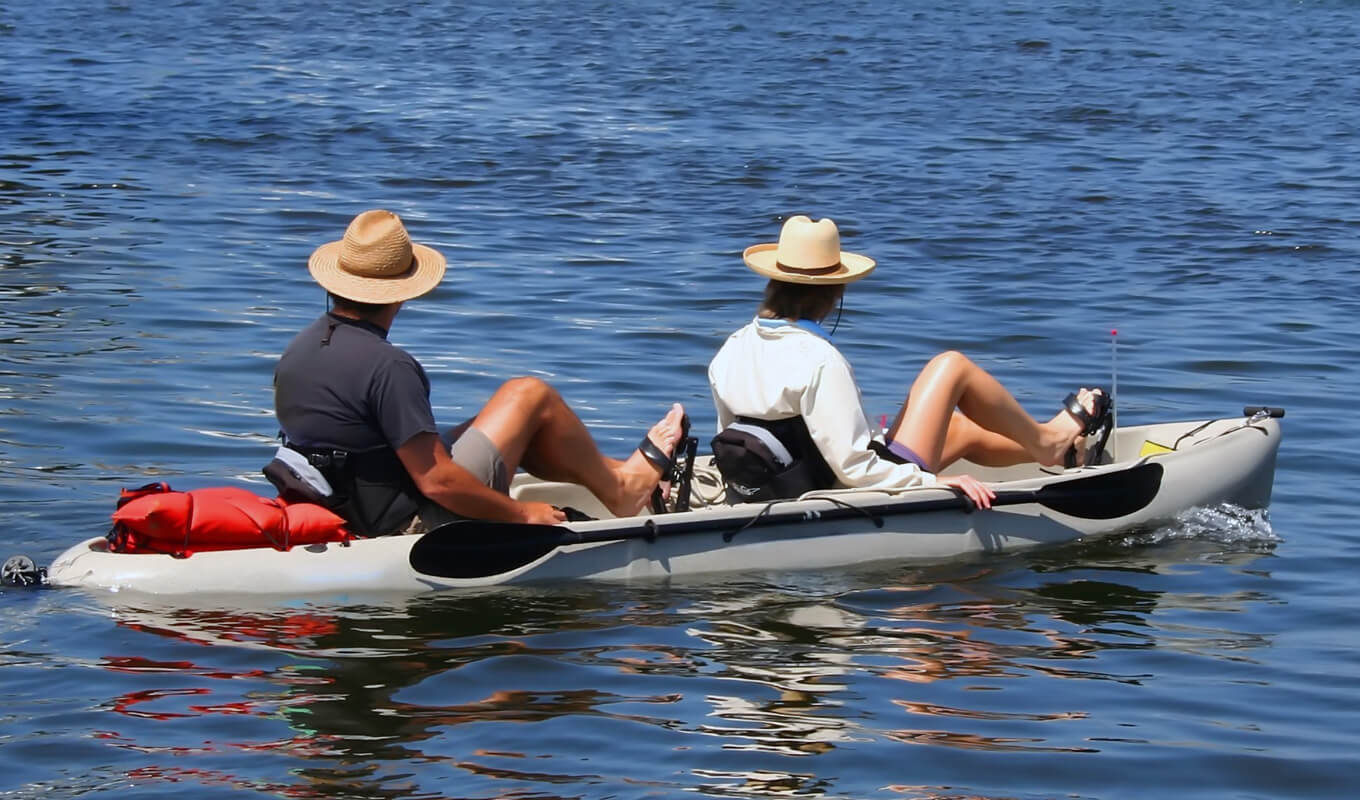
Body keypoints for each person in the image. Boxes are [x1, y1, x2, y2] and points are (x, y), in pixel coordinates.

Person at [273, 209, 687, 536]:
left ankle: (618, 475)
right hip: (408, 522)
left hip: (349, 503)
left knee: (507, 417)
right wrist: (522, 513)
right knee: (529, 395)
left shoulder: (299, 350)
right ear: (400, 294)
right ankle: (624, 489)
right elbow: (437, 482)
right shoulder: (388, 366)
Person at [707, 215, 1112, 510]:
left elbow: (735, 434)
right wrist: (933, 483)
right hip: (838, 491)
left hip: (778, 486)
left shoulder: (731, 348)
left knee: (959, 428)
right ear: (834, 293)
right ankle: (1049, 443)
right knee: (951, 366)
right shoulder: (818, 359)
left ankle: (1061, 456)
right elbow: (854, 468)